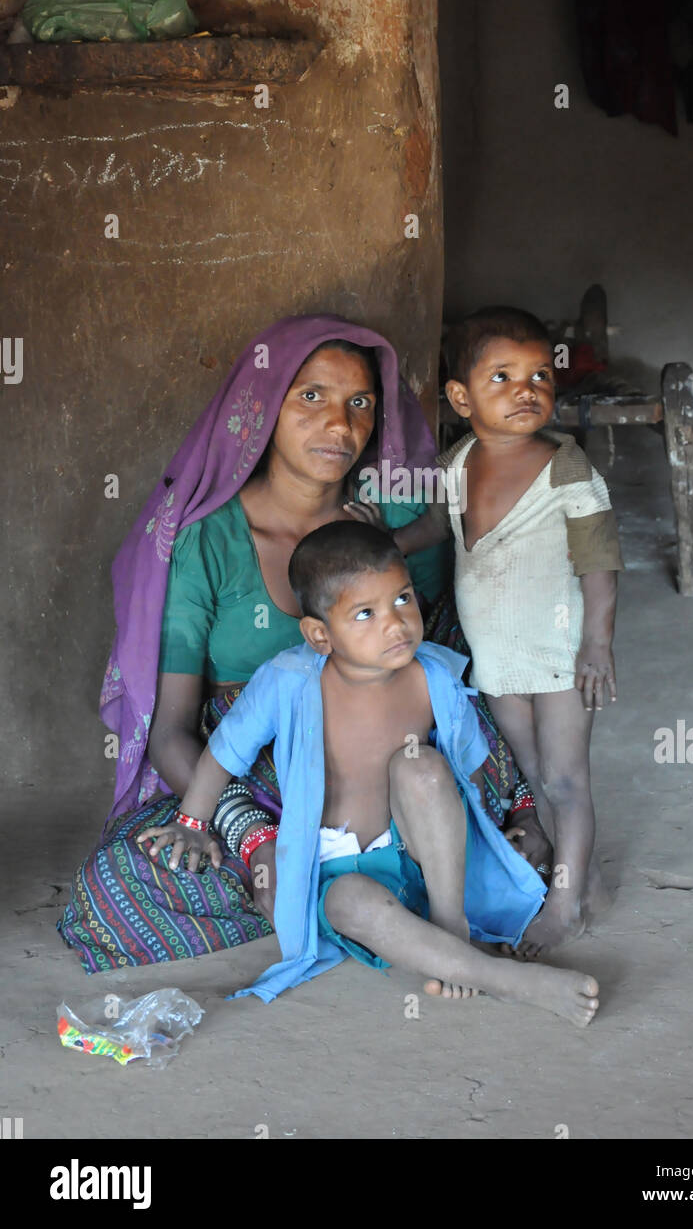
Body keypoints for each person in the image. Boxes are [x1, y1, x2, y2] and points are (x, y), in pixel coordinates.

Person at [57, 313, 544, 973]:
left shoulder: (393, 515)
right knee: (110, 890)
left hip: (397, 767)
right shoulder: (209, 538)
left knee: (454, 801)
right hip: (263, 781)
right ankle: (376, 900)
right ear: (259, 409)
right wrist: (249, 836)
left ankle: (358, 898)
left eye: (360, 403)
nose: (340, 426)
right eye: (310, 396)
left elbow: (449, 655)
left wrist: (520, 802)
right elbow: (172, 730)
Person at [136, 522, 601, 1026]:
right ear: (319, 634)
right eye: (365, 613)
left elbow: (472, 769)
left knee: (422, 766)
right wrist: (192, 823)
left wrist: (519, 819)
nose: (396, 624)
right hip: (335, 868)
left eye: (402, 599)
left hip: (419, 857)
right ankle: (503, 978)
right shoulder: (288, 681)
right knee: (351, 903)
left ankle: (452, 932)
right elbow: (225, 752)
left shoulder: (434, 675)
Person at [376, 306, 625, 958]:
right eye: (503, 377)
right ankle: (581, 872)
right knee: (535, 773)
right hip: (496, 656)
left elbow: (600, 565)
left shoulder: (568, 471)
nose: (526, 389)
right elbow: (435, 530)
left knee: (567, 778)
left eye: (540, 374)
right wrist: (380, 546)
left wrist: (596, 645)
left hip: (561, 656)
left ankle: (564, 902)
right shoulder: (458, 465)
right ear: (460, 398)